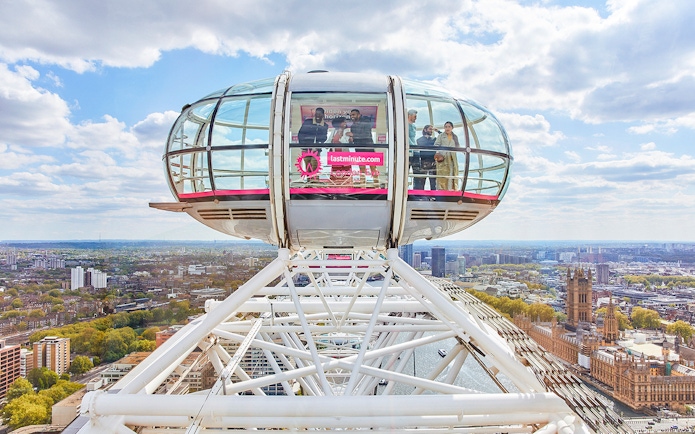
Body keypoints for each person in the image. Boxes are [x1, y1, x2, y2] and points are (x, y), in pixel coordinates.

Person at [346, 109, 377, 186]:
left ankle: (377, 186)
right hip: (359, 149)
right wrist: (350, 140)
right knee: (361, 169)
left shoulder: (366, 122)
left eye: (353, 115)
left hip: (369, 148)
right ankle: (362, 186)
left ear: (359, 115)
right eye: (351, 115)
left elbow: (366, 135)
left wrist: (354, 135)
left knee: (373, 168)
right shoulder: (352, 126)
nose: (352, 116)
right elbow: (354, 140)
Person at [297, 107, 328, 174]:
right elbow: (301, 134)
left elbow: (324, 137)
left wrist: (319, 143)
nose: (318, 115)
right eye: (316, 113)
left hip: (316, 149)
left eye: (320, 114)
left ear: (323, 115)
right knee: (308, 167)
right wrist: (303, 145)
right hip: (306, 148)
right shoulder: (308, 122)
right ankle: (309, 182)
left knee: (315, 166)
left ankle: (314, 181)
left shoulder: (325, 125)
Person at [433, 121, 460, 191]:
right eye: (446, 127)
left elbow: (458, 146)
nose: (447, 128)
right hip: (443, 158)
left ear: (452, 128)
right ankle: (442, 190)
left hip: (452, 158)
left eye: (449, 127)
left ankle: (452, 188)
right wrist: (438, 153)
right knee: (443, 174)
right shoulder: (441, 136)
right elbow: (436, 145)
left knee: (452, 173)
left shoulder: (455, 137)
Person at [329, 117, 352, 184]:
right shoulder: (334, 131)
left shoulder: (347, 130)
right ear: (339, 123)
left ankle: (346, 186)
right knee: (335, 173)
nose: (345, 123)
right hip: (335, 155)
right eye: (343, 122)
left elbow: (345, 142)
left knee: (345, 172)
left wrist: (341, 135)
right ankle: (335, 186)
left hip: (344, 155)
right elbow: (329, 140)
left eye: (345, 122)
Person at [414, 124, 438, 190]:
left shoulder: (434, 139)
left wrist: (437, 131)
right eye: (430, 129)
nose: (431, 131)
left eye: (432, 129)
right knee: (422, 181)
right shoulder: (419, 140)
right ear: (425, 130)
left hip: (432, 161)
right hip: (423, 161)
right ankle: (421, 196)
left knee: (433, 182)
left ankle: (433, 197)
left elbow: (443, 137)